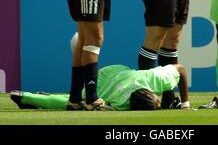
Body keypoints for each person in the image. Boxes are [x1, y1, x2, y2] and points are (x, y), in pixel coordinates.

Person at [11, 33, 193, 111]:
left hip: (110, 76)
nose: (158, 103)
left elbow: (181, 70)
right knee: (74, 104)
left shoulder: (154, 80)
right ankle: (28, 97)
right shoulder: (123, 104)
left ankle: (30, 96)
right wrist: (184, 105)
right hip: (107, 79)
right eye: (158, 104)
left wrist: (186, 103)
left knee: (76, 102)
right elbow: (182, 69)